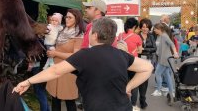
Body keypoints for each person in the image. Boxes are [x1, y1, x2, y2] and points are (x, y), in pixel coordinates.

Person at [13, 17, 153, 111]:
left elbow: (55, 71)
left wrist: (28, 81)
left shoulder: (85, 55)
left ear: (95, 35)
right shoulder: (122, 55)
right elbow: (148, 67)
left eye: (90, 32)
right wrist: (128, 87)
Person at [45, 9, 84, 111]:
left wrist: (55, 53)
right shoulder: (62, 31)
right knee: (55, 99)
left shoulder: (79, 35)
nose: (67, 19)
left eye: (70, 17)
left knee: (69, 101)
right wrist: (51, 51)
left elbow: (76, 56)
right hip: (56, 69)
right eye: (66, 17)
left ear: (77, 19)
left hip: (68, 72)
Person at [117, 17, 142, 109]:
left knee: (123, 84)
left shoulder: (119, 36)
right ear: (135, 26)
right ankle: (133, 104)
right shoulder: (137, 37)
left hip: (121, 63)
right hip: (133, 63)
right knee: (134, 84)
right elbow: (140, 50)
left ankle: (123, 103)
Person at [151, 23, 179, 105]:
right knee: (167, 76)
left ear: (159, 29)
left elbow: (172, 44)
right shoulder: (160, 36)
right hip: (163, 58)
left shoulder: (164, 36)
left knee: (157, 73)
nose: (154, 30)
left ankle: (159, 90)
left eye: (155, 29)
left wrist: (175, 53)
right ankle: (171, 91)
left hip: (164, 59)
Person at [136, 18, 156, 109]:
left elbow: (154, 48)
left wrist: (143, 50)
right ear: (140, 27)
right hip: (137, 61)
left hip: (147, 61)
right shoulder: (136, 35)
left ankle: (142, 100)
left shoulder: (151, 36)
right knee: (136, 80)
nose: (145, 29)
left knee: (144, 81)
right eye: (143, 27)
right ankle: (133, 101)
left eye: (147, 27)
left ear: (149, 28)